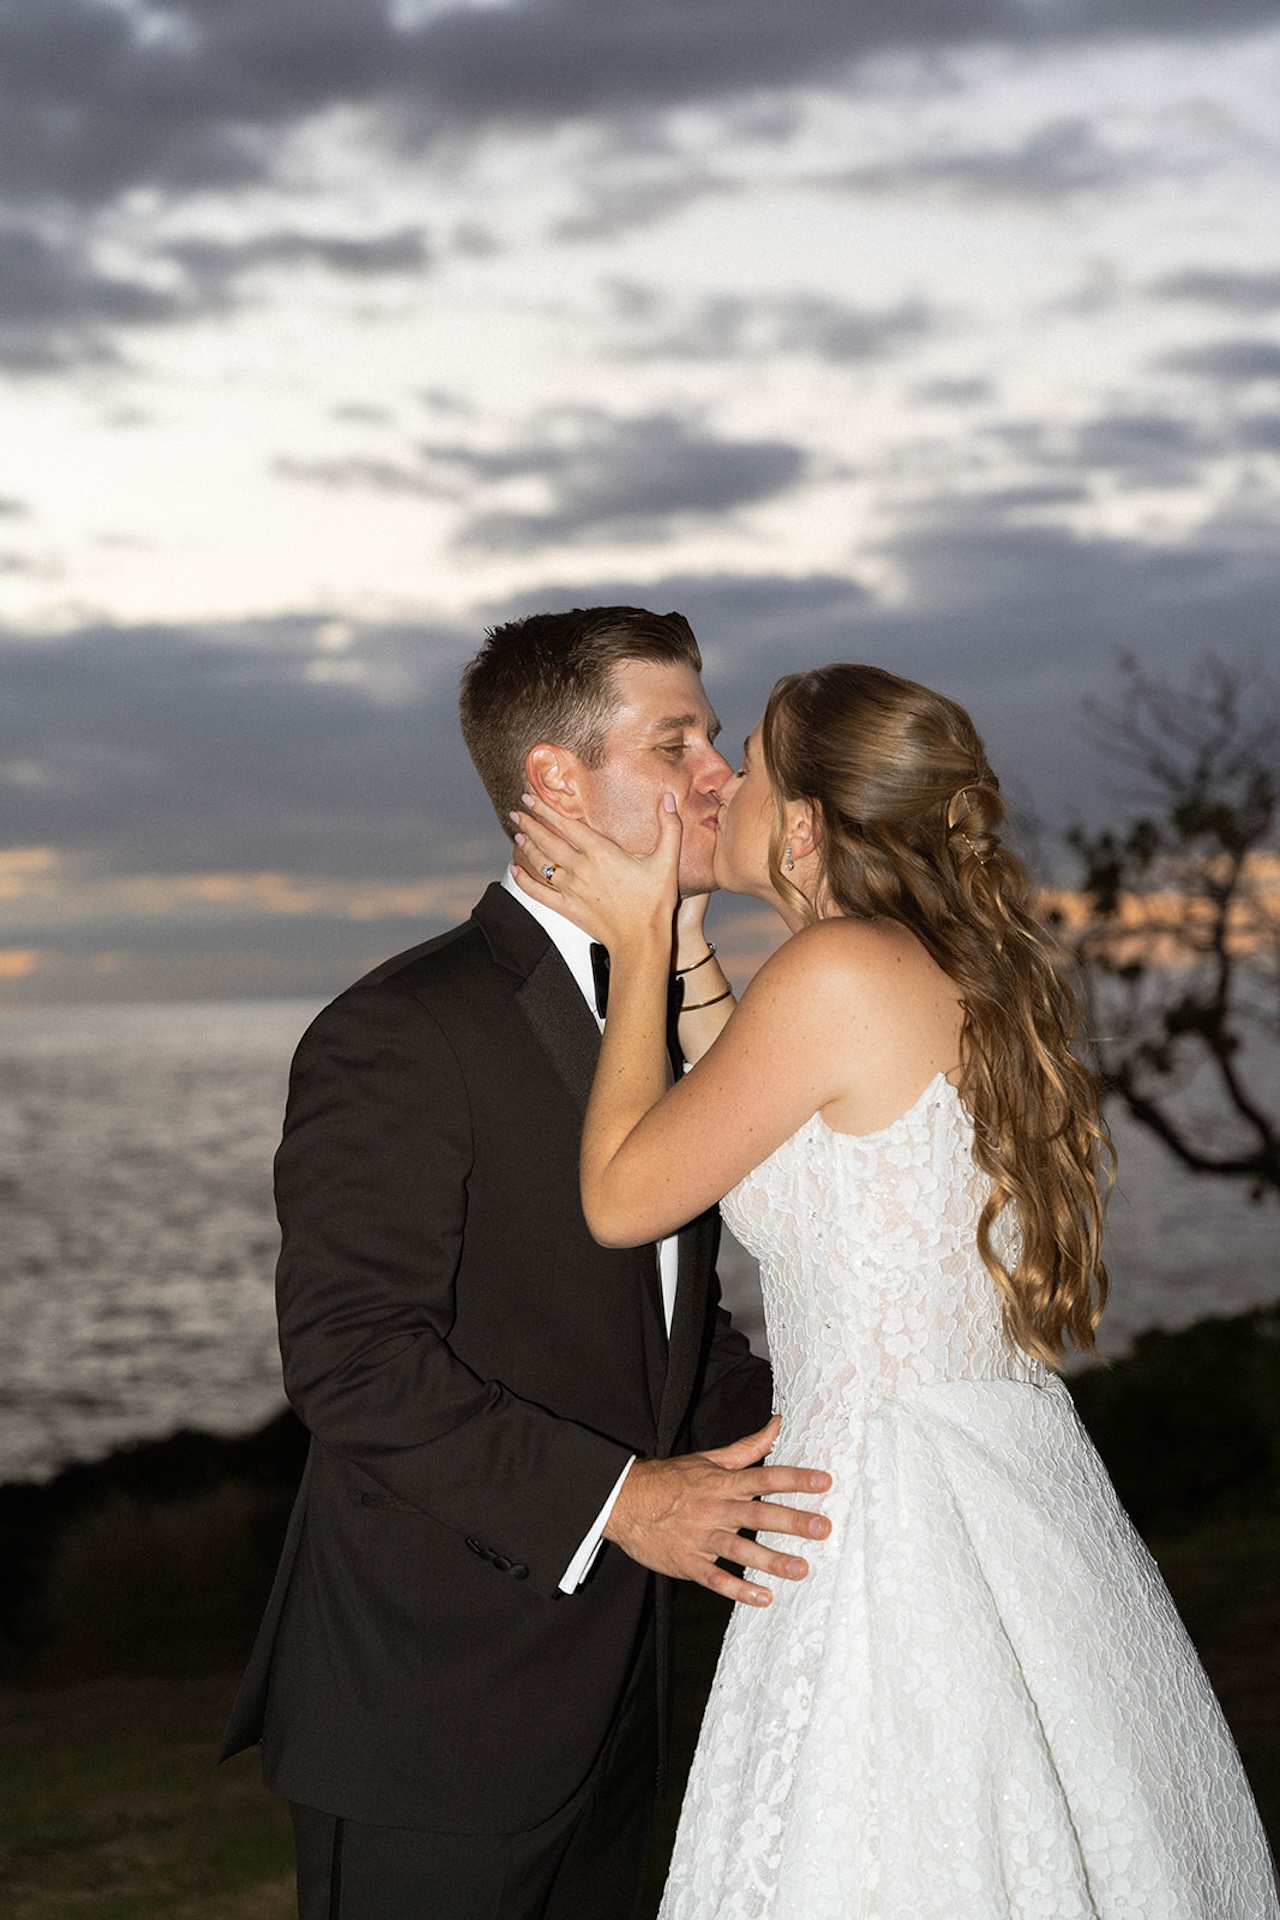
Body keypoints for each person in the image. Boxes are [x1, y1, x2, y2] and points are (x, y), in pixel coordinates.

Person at [510, 661, 1280, 1919]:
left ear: (802, 824)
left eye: (747, 762)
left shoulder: (834, 977)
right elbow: (763, 1107)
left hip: (880, 1499)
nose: (720, 779)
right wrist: (691, 950)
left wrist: (640, 938)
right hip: (988, 1460)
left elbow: (621, 1196)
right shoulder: (906, 965)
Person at [219, 606, 833, 1920]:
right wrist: (630, 1505)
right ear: (556, 781)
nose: (722, 778)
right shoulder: (403, 1030)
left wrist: (854, 1462)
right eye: (680, 746)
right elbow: (353, 1362)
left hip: (623, 1709)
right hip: (432, 1715)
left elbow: (674, 1333)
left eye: (713, 741)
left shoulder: (664, 1015)